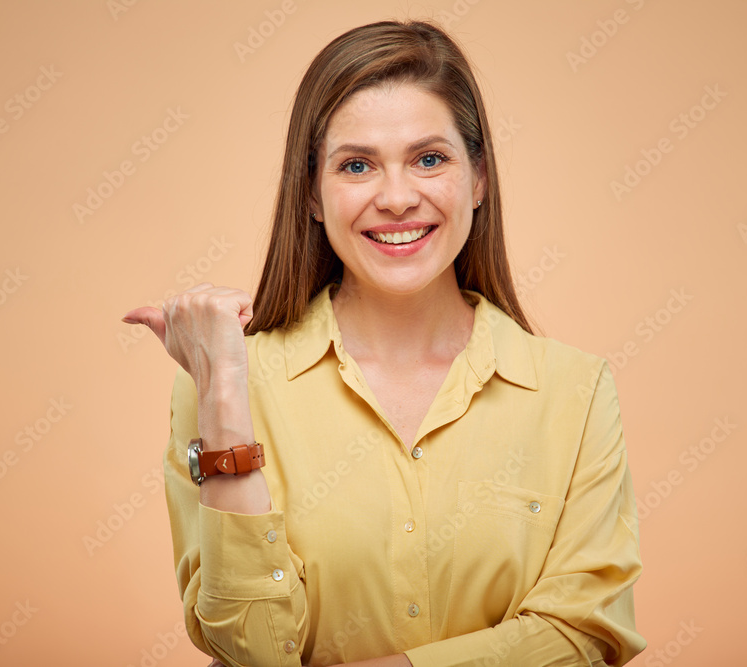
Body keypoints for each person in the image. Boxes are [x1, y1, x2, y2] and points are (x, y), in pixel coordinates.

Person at [123, 19, 646, 667]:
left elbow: (583, 634)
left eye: (430, 158)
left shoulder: (576, 390)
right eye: (357, 165)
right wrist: (227, 392)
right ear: (312, 194)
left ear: (479, 178)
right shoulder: (219, 381)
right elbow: (250, 647)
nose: (397, 197)